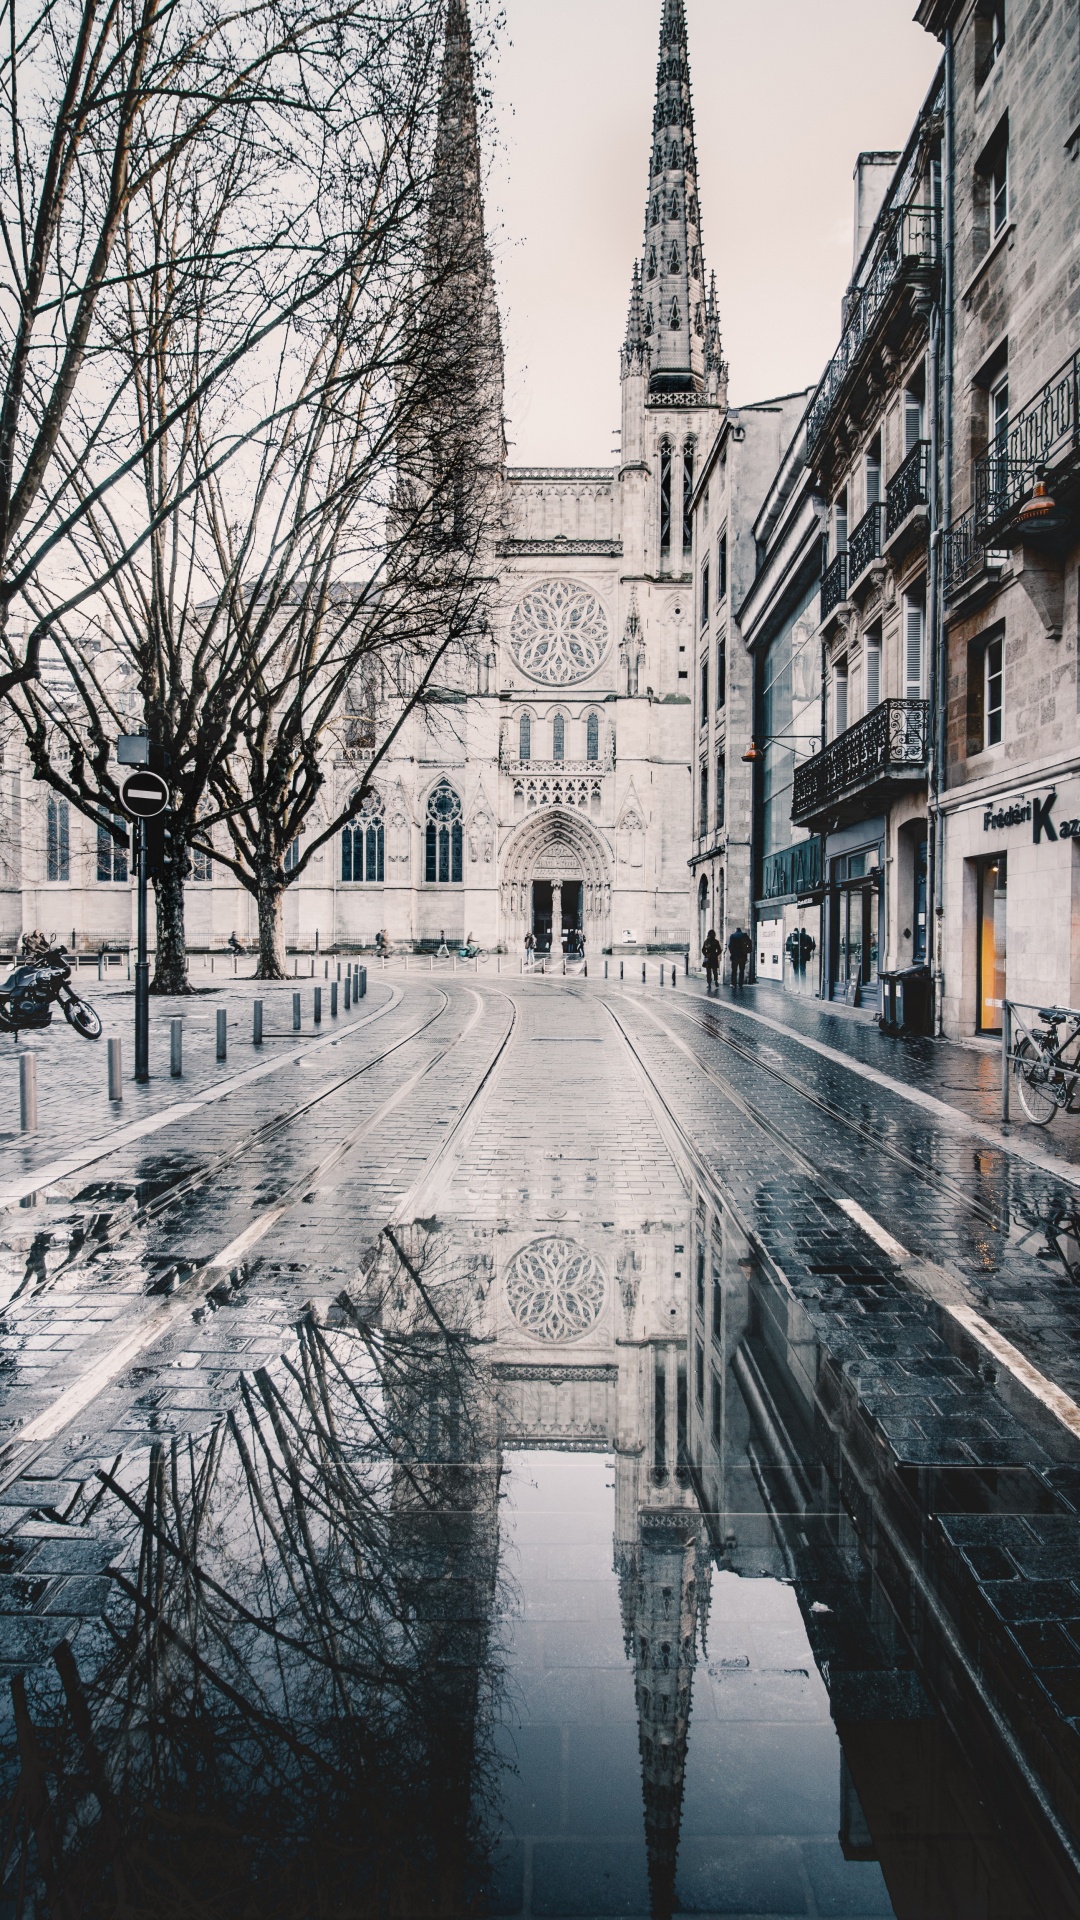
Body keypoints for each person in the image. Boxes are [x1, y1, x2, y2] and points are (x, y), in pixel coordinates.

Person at [702, 927, 720, 991]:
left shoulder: (706, 941)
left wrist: (706, 954)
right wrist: (716, 954)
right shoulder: (716, 941)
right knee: (715, 970)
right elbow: (719, 950)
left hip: (708, 957)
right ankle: (716, 980)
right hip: (714, 957)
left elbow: (703, 950)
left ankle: (709, 983)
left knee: (708, 971)